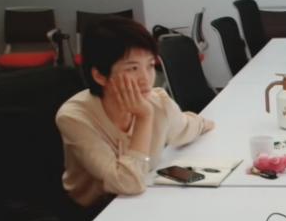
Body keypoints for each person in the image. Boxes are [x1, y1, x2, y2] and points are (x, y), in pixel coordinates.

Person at [56, 16, 216, 208]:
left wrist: (206, 124)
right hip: (94, 212)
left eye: (150, 65)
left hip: (141, 200)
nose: (145, 78)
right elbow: (126, 183)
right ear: (99, 75)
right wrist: (143, 118)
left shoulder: (158, 103)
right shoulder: (75, 117)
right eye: (132, 68)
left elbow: (184, 127)